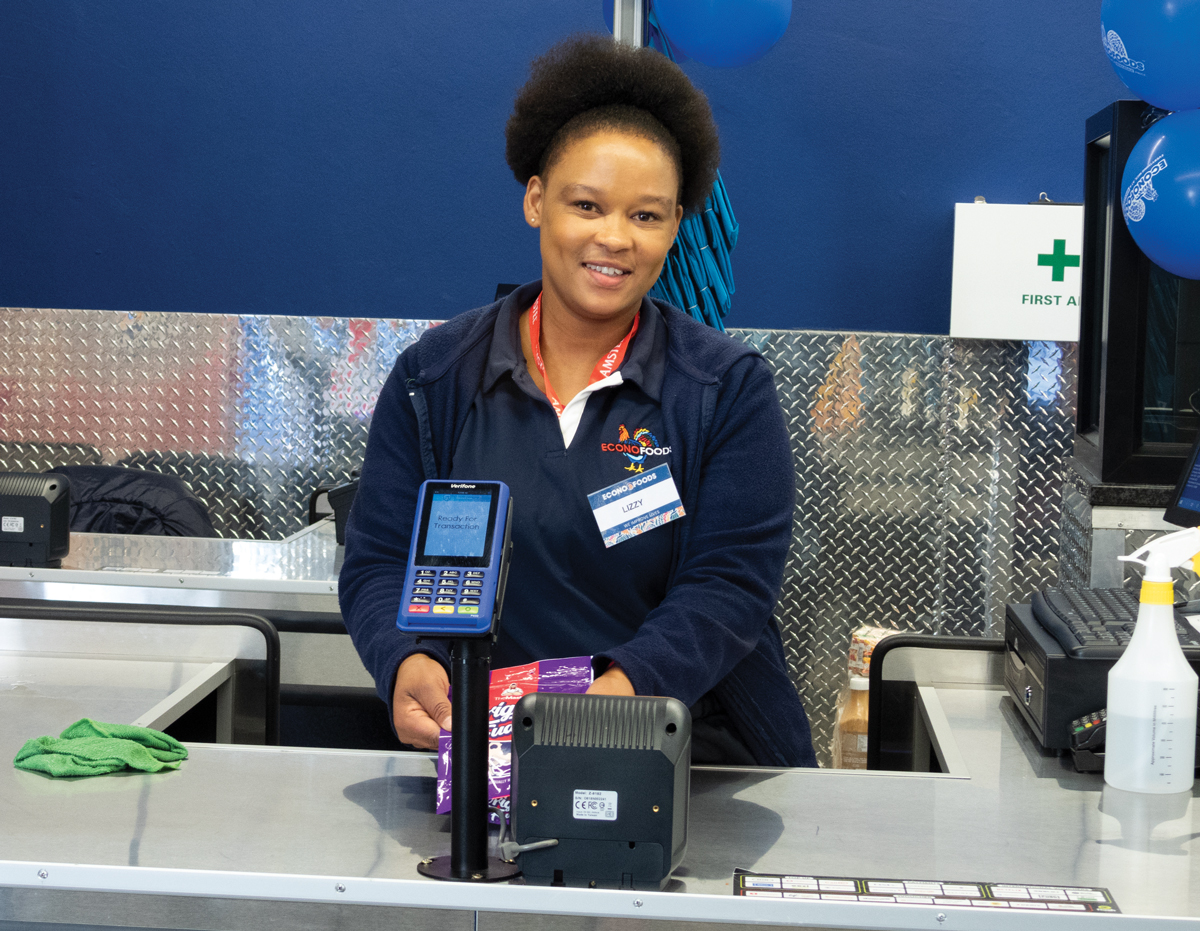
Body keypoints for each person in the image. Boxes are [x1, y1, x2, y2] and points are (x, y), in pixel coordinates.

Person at [339, 35, 817, 767]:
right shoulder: (432, 379)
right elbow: (378, 561)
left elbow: (728, 587)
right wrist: (404, 659)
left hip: (694, 757)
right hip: (492, 760)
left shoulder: (726, 388)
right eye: (587, 205)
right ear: (537, 201)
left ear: (676, 224)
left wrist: (614, 700)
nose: (614, 238)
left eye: (646, 216)